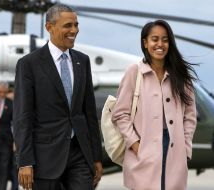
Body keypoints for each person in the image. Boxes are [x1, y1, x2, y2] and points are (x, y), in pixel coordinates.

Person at [13, 4, 103, 190]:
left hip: (80, 155)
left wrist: (96, 156)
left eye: (76, 25)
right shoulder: (29, 64)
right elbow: (23, 117)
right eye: (68, 25)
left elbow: (89, 113)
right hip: (44, 158)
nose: (74, 30)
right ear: (49, 27)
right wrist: (25, 161)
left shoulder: (82, 61)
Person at [112, 20, 197, 190]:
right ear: (145, 42)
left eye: (165, 40)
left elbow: (190, 115)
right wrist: (135, 144)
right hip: (143, 151)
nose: (160, 44)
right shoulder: (134, 72)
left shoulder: (181, 75)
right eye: (155, 39)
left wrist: (185, 147)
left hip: (175, 151)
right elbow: (120, 114)